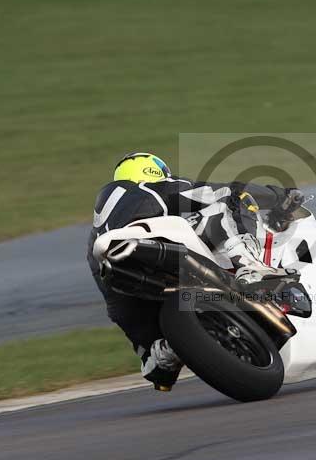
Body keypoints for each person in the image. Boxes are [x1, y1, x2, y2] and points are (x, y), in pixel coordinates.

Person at [86, 152, 303, 390]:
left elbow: (117, 308)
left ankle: (163, 352)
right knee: (231, 202)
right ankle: (250, 267)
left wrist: (154, 344)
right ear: (152, 172)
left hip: (122, 286)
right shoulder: (149, 188)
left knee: (153, 356)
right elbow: (219, 191)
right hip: (145, 244)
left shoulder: (96, 235)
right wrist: (279, 197)